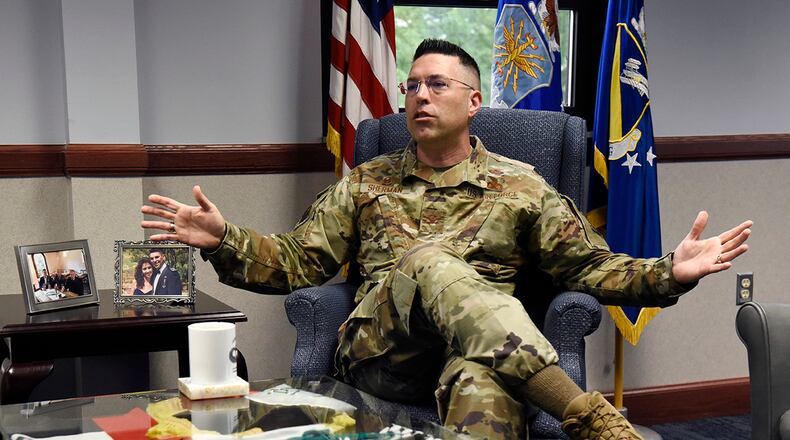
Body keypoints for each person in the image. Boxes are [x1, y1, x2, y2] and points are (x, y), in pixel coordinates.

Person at [140, 39, 752, 440]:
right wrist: (223, 239)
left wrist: (669, 271)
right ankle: (586, 416)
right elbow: (297, 262)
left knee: (484, 388)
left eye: (436, 85)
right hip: (382, 354)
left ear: (473, 100)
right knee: (430, 261)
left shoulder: (521, 186)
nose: (420, 96)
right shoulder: (368, 182)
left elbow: (588, 267)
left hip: (485, 352)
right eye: (412, 87)